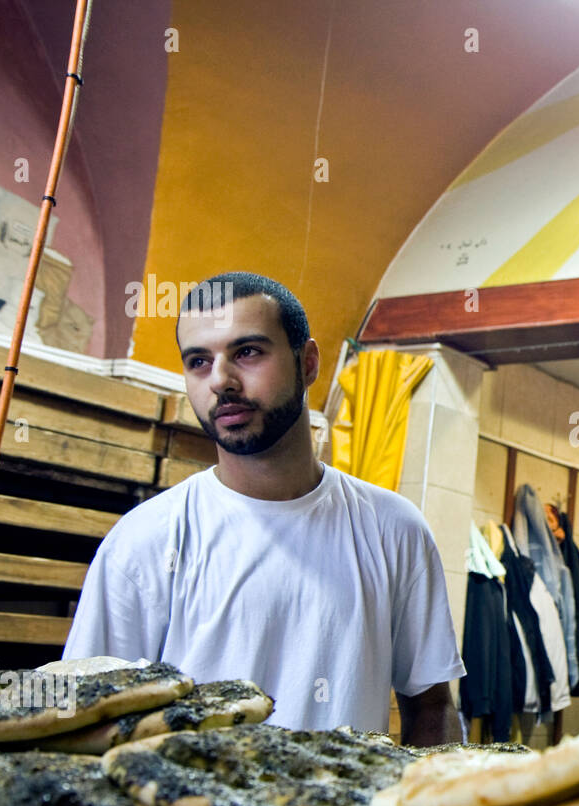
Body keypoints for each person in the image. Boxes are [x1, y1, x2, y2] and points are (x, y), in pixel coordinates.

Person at [62, 272, 465, 744]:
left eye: (247, 352)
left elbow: (432, 708)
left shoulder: (394, 530)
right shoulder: (144, 541)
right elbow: (86, 716)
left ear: (307, 362)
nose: (221, 381)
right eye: (198, 361)